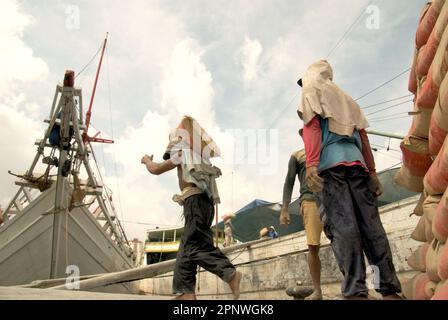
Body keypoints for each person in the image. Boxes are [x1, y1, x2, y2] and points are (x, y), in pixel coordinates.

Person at [297, 60, 402, 300]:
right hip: (359, 168)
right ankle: (388, 290)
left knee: (345, 231)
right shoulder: (346, 99)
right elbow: (363, 137)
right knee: (372, 229)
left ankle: (356, 292)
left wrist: (312, 163)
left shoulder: (310, 90)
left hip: (331, 170)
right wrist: (373, 172)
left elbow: (312, 127)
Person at [141, 115, 241, 300]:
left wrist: (146, 160)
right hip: (205, 204)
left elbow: (155, 169)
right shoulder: (199, 156)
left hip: (194, 203)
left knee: (193, 247)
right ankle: (187, 293)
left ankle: (230, 274)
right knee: (187, 247)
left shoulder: (183, 153)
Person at [280, 144, 323, 300]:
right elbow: (289, 182)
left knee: (343, 242)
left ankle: (352, 286)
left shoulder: (326, 147)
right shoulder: (297, 155)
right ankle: (317, 290)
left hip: (333, 198)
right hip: (310, 201)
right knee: (313, 246)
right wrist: (285, 209)